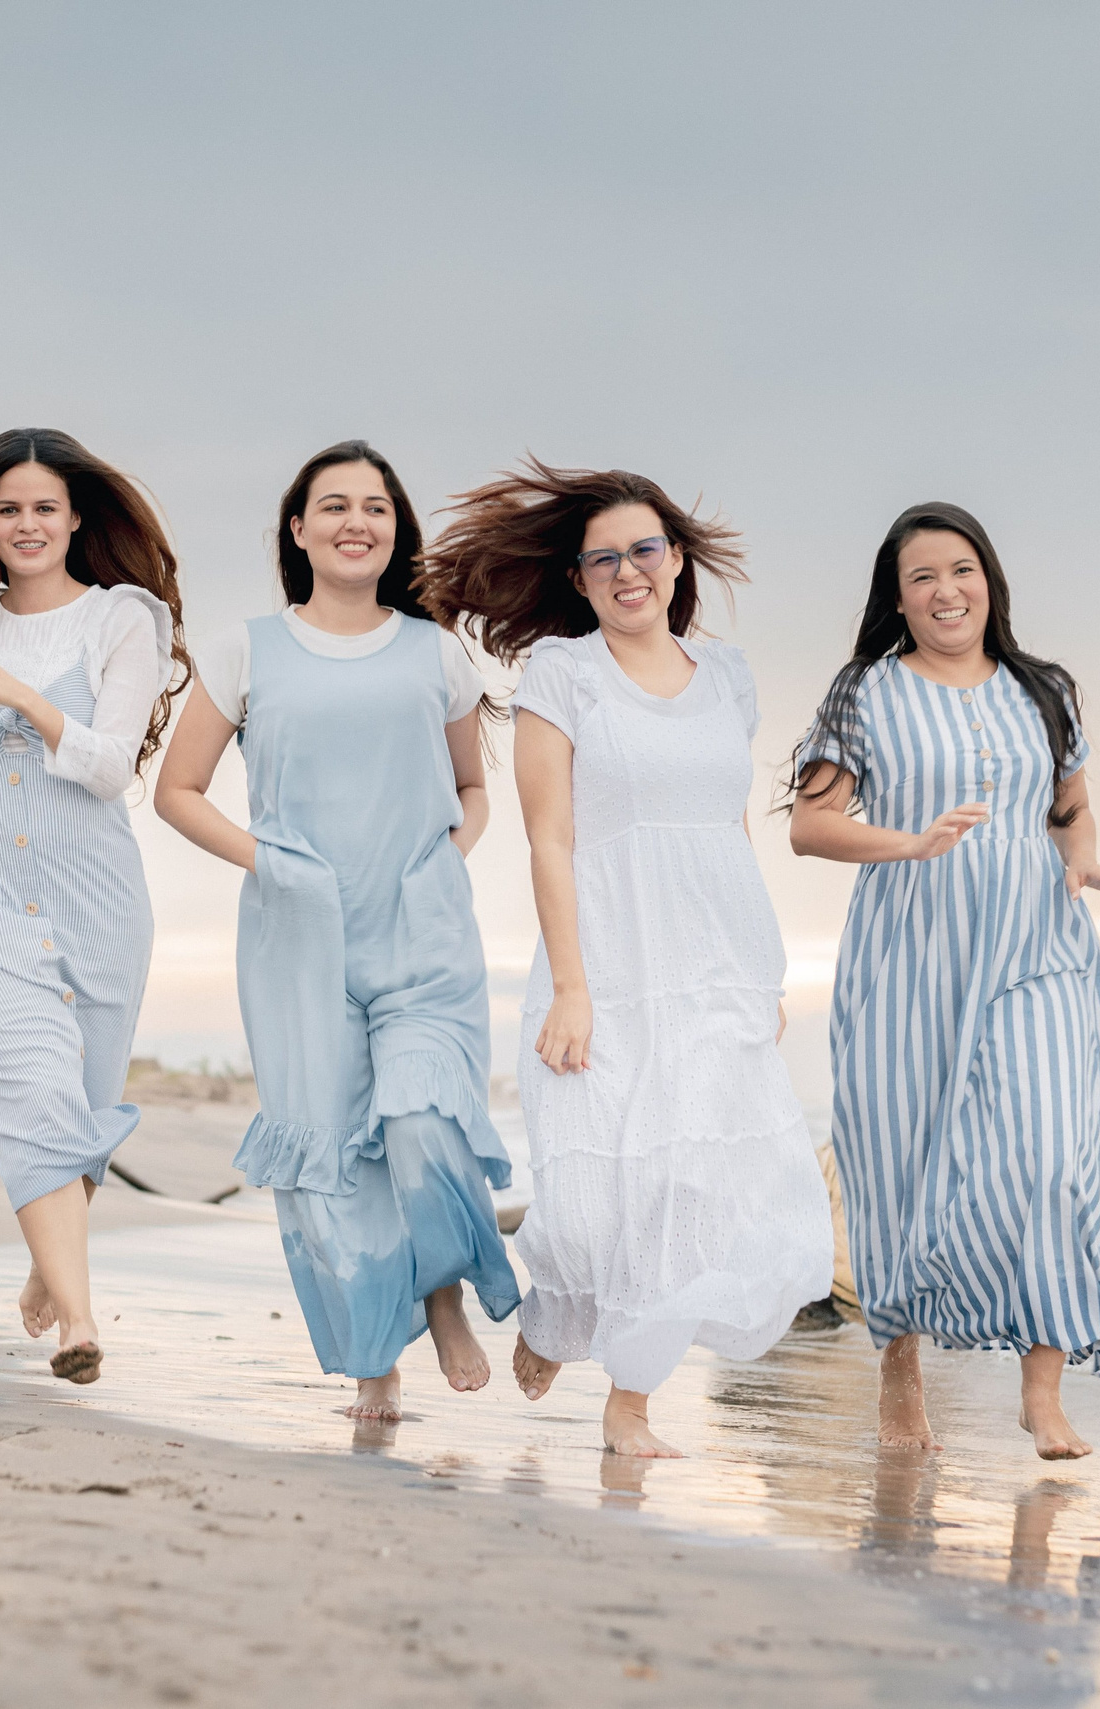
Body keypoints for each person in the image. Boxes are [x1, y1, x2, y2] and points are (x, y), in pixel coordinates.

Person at [419, 460, 833, 1458]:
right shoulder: (564, 676)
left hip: (712, 964)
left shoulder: (726, 675)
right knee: (593, 1192)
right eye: (602, 559)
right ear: (579, 580)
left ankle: (631, 1401)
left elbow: (728, 827)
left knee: (689, 1181)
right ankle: (557, 1312)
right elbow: (548, 837)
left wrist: (756, 970)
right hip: (603, 959)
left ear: (675, 558)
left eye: (642, 548)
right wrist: (570, 987)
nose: (625, 569)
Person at [154, 440, 517, 1422]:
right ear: (298, 527)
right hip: (295, 941)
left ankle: (442, 1289)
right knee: (332, 1157)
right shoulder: (246, 648)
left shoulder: (435, 652)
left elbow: (473, 787)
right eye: (335, 504)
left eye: (376, 506)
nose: (357, 520)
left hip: (420, 930)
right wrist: (270, 862)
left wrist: (451, 852)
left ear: (395, 529)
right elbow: (176, 790)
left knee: (421, 1119)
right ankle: (373, 1361)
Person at [789, 502, 1100, 1459]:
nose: (947, 592)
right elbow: (810, 827)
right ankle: (900, 1373)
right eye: (923, 578)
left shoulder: (1044, 687)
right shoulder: (865, 692)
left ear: (990, 579)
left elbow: (1070, 810)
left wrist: (1083, 861)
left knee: (1056, 1153)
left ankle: (1043, 1385)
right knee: (899, 1155)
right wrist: (910, 841)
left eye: (962, 570)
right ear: (897, 599)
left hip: (1039, 945)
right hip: (912, 946)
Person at [0, 428, 187, 1386]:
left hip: (93, 893)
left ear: (75, 519)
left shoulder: (120, 621)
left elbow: (105, 767)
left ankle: (44, 1260)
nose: (26, 524)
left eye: (43, 508)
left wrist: (29, 699)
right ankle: (80, 1325)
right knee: (25, 1082)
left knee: (84, 1099)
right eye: (8, 509)